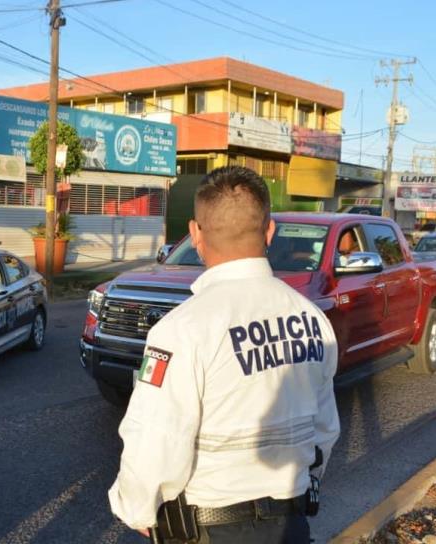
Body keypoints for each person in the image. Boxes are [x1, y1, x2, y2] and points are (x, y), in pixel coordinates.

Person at [108, 166, 340, 544]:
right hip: (290, 526)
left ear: (196, 234)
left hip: (209, 530)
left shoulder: (181, 330)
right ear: (269, 231)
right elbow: (325, 431)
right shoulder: (312, 319)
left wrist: (136, 508)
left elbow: (156, 438)